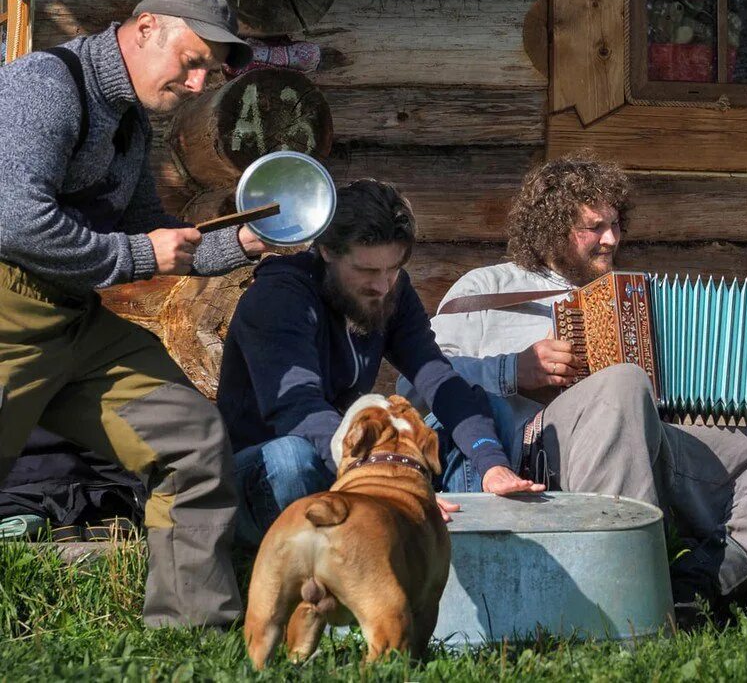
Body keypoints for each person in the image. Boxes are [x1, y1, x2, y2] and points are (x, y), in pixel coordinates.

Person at [407, 155, 747, 620]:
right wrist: (511, 371)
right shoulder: (487, 290)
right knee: (624, 381)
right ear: (550, 228)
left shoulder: (638, 303)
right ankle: (634, 602)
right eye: (594, 227)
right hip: (534, 455)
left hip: (652, 446)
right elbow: (420, 384)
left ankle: (696, 583)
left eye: (616, 224)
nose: (611, 239)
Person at [0, 0, 265, 627]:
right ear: (146, 28)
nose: (201, 83)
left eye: (212, 70)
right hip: (6, 315)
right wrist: (141, 255)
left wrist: (250, 241)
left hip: (73, 322)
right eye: (194, 59)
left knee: (192, 441)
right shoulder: (44, 84)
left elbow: (155, 234)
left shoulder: (129, 123)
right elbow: (13, 220)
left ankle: (192, 635)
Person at [216, 179, 535, 547]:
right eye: (367, 271)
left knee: (473, 415)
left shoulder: (392, 293)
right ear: (326, 251)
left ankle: (453, 555)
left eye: (393, 269)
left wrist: (491, 462)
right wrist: (382, 476)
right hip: (261, 476)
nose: (383, 286)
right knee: (294, 456)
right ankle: (320, 570)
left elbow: (438, 379)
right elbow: (297, 410)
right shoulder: (279, 296)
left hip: (343, 462)